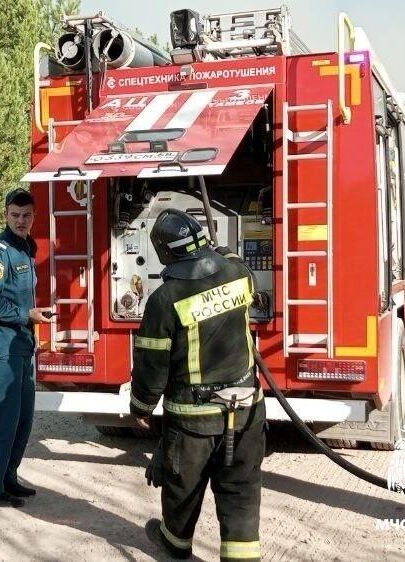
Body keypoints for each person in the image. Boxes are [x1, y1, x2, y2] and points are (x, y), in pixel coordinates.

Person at [130, 209, 265, 562]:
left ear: (166, 253)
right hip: (246, 411)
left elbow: (151, 364)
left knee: (182, 488)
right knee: (241, 490)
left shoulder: (164, 299)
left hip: (194, 419)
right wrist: (219, 253)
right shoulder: (239, 274)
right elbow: (233, 260)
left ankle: (174, 548)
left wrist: (141, 407)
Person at [0, 188, 53, 508]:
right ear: (6, 214)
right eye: (15, 215)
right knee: (2, 420)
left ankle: (8, 477)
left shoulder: (26, 247)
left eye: (26, 216)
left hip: (22, 345)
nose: (21, 221)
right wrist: (26, 315)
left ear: (34, 217)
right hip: (1, 350)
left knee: (22, 419)